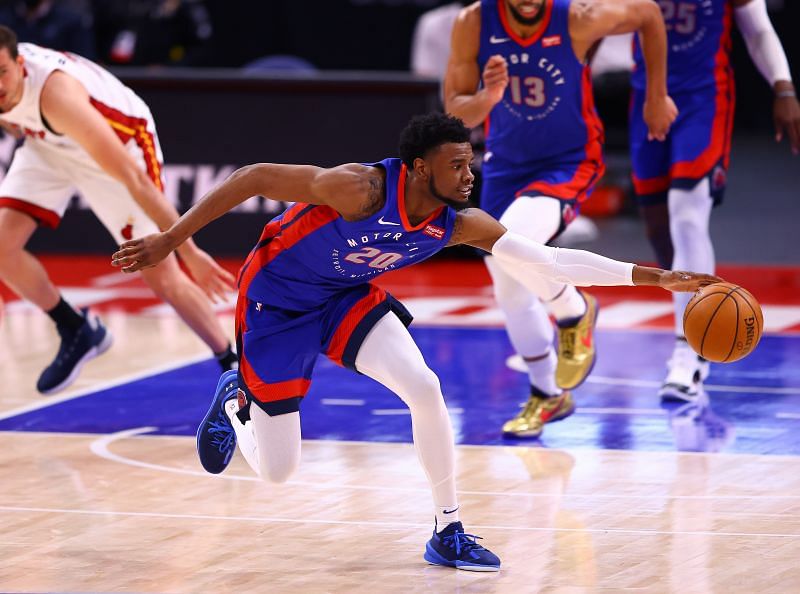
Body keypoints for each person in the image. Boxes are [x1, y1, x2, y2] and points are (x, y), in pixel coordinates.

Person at [111, 112, 718, 570]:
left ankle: (446, 529)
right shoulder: (360, 190)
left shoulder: (461, 222)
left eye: (471, 161)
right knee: (277, 472)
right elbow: (253, 178)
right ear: (422, 168)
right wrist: (170, 239)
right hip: (277, 302)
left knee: (425, 388)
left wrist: (653, 278)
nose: (470, 171)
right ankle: (236, 401)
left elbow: (551, 261)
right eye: (458, 163)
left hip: (344, 295)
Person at [443, 0, 677, 438]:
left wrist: (657, 94)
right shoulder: (473, 22)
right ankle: (548, 393)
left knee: (510, 247)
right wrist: (487, 97)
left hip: (568, 160)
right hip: (506, 164)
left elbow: (647, 12)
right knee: (506, 280)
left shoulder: (577, 18)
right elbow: (455, 116)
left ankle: (573, 311)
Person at [0, 26, 237, 394]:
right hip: (50, 144)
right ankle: (76, 329)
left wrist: (189, 250)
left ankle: (232, 365)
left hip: (122, 147)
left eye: (2, 72)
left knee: (161, 274)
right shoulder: (9, 87)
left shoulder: (58, 95)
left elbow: (135, 180)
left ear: (19, 64)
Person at [630, 0, 800, 402]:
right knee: (658, 227)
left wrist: (783, 85)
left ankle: (687, 352)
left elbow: (757, 28)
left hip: (703, 101)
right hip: (646, 99)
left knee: (686, 216)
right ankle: (694, 317)